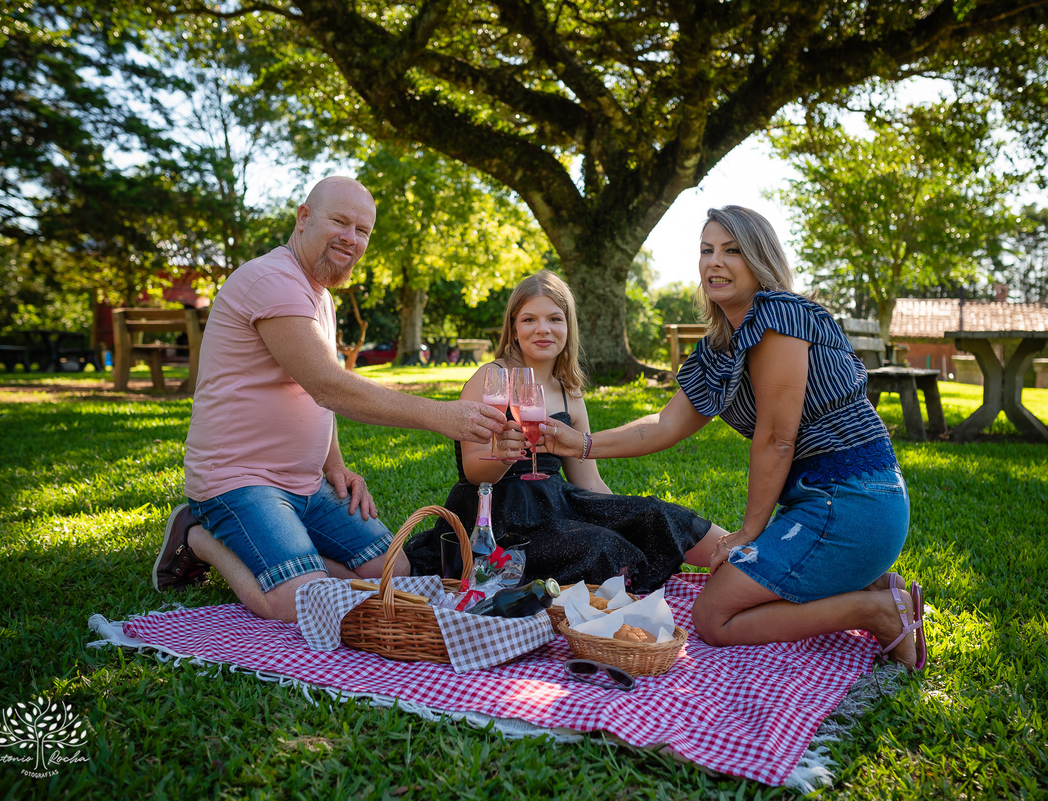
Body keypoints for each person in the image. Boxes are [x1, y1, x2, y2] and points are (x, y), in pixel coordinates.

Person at [537, 206, 927, 671]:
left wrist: (748, 532)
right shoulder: (720, 348)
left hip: (854, 502)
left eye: (732, 250)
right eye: (706, 250)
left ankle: (878, 612)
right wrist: (578, 443)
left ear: (759, 258)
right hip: (822, 506)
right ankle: (872, 586)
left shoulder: (781, 315)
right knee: (720, 601)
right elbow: (664, 425)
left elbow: (778, 440)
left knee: (713, 617)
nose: (714, 262)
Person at [151, 176, 506, 623]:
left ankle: (289, 552)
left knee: (395, 571)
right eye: (340, 221)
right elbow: (328, 385)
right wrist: (440, 415)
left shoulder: (321, 297)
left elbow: (315, 393)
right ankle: (198, 535)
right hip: (238, 481)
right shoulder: (271, 279)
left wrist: (334, 465)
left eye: (363, 231)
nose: (351, 239)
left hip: (305, 483)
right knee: (300, 602)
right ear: (303, 218)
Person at [402, 270, 728, 593]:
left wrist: (627, 514)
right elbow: (474, 473)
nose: (543, 329)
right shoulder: (493, 379)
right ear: (514, 328)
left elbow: (588, 481)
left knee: (654, 513)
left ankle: (746, 557)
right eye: (529, 320)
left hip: (553, 506)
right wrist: (502, 456)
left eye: (555, 319)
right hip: (497, 519)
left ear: (568, 327)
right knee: (602, 547)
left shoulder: (569, 393)